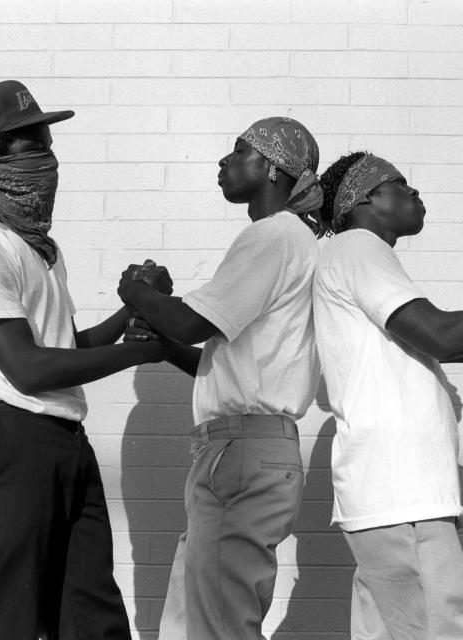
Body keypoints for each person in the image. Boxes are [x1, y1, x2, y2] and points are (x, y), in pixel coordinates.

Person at [0, 80, 173, 640]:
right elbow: (29, 369)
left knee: (92, 617)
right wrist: (137, 351)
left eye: (50, 147)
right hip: (9, 440)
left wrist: (134, 309)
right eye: (33, 148)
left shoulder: (42, 250)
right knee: (7, 618)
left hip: (65, 442)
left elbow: (62, 350)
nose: (49, 162)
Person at [311, 152, 463, 639]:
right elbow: (444, 333)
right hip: (400, 492)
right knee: (442, 628)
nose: (415, 193)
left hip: (392, 495)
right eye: (402, 184)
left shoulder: (358, 259)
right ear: (367, 197)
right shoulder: (359, 247)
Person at [116, 117, 324, 640]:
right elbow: (222, 361)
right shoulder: (282, 240)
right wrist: (166, 343)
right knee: (194, 621)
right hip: (236, 449)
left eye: (239, 151)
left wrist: (138, 291)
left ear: (274, 169)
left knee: (219, 626)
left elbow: (189, 321)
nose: (224, 162)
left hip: (243, 452)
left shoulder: (274, 237)